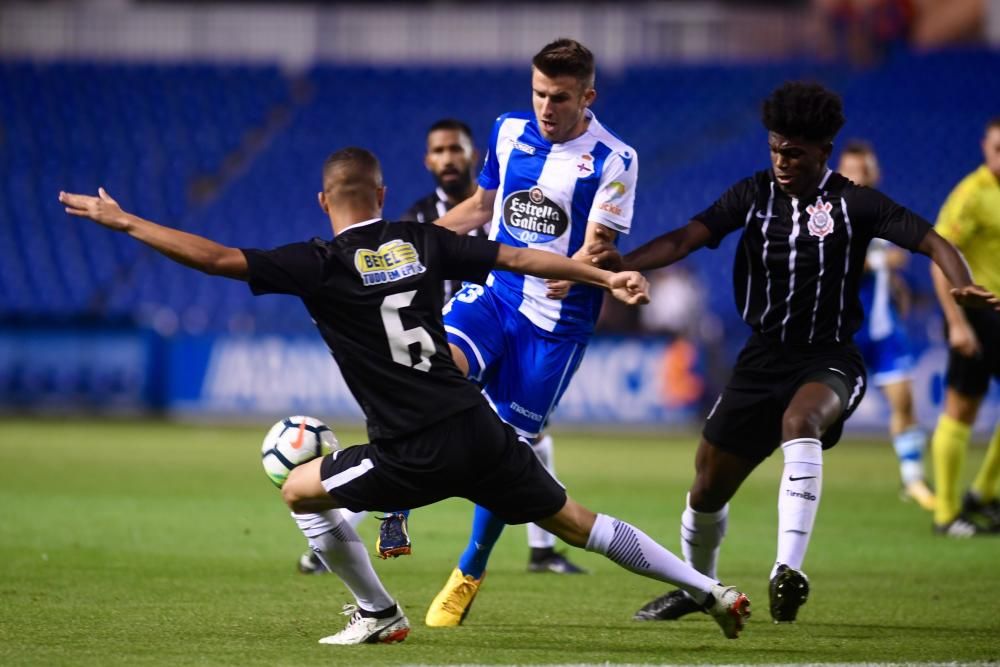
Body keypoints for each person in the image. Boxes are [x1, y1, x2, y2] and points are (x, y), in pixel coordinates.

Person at [58, 147, 752, 644]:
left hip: (409, 450)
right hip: (476, 427)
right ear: (384, 197)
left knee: (299, 490)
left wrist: (128, 223)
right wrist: (603, 278)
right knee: (580, 520)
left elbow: (214, 257)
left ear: (325, 201)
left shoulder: (320, 262)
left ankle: (378, 610)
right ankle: (709, 588)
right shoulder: (422, 240)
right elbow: (515, 257)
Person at [601, 82, 998, 625]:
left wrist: (960, 281)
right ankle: (700, 589)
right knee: (706, 487)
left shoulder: (854, 201)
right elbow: (686, 238)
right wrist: (619, 267)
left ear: (822, 153)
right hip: (760, 360)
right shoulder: (753, 194)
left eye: (794, 152)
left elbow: (930, 240)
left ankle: (787, 570)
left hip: (830, 357)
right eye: (775, 149)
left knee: (801, 420)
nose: (782, 161)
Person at [417, 37, 639, 625]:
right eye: (539, 93)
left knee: (507, 449)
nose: (545, 106)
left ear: (587, 95)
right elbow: (484, 206)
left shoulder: (616, 159)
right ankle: (396, 501)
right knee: (434, 370)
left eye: (560, 97)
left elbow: (601, 243)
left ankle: (470, 568)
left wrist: (583, 269)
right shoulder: (508, 131)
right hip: (495, 294)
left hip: (556, 322)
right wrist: (412, 242)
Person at [296, 118, 482, 575]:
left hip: (495, 323)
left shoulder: (493, 210)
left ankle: (356, 523)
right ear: (427, 161)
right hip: (438, 341)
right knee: (471, 439)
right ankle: (374, 518)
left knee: (521, 436)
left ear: (472, 155)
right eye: (438, 151)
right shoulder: (417, 219)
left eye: (454, 149)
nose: (447, 159)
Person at [836, 140, 935, 511]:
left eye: (861, 171)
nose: (854, 177)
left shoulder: (882, 215)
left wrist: (896, 287)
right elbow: (840, 262)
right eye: (847, 169)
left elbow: (891, 260)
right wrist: (879, 261)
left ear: (874, 175)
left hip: (882, 326)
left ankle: (913, 481)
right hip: (843, 330)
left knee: (904, 401)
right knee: (817, 411)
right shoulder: (830, 215)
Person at [928, 117, 1000, 537]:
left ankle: (985, 493)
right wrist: (957, 323)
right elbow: (941, 255)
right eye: (997, 147)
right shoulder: (972, 195)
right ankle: (947, 513)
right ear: (984, 147)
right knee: (962, 408)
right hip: (975, 314)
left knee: (966, 408)